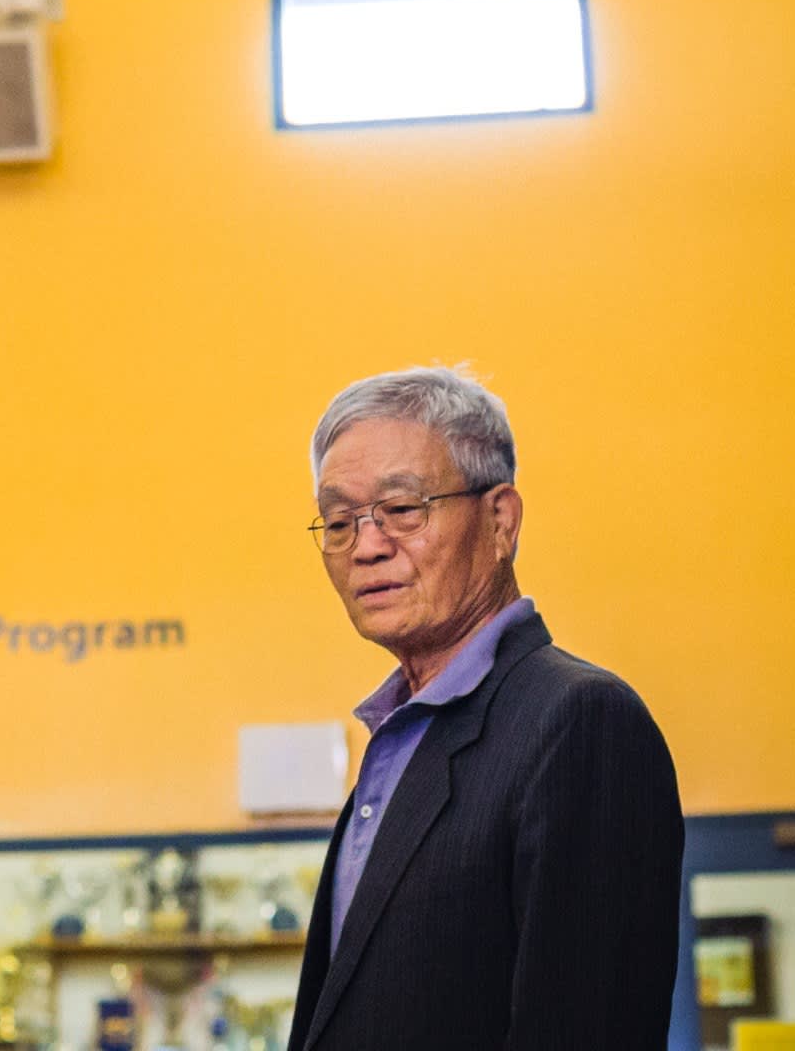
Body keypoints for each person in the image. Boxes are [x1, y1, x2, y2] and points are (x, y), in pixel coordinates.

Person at [286, 366, 682, 1051]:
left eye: (402, 509)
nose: (367, 546)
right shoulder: (399, 740)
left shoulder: (579, 722)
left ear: (501, 519)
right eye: (340, 520)